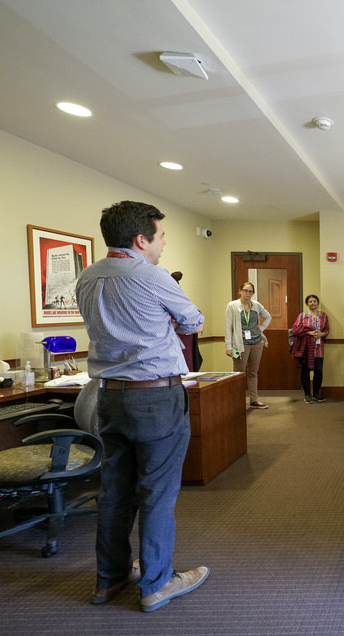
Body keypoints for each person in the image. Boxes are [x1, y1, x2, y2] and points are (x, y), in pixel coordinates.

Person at [76, 200, 208, 612]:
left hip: (109, 397)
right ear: (141, 239)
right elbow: (194, 321)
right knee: (157, 492)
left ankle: (111, 579)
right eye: (162, 235)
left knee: (115, 491)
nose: (163, 242)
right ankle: (156, 582)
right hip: (155, 397)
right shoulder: (152, 277)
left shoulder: (87, 277)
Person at [224, 282, 272, 409]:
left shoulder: (256, 305)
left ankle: (254, 400)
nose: (248, 293)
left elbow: (268, 317)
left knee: (253, 372)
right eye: (246, 290)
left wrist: (261, 328)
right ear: (240, 291)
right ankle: (237, 401)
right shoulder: (232, 305)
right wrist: (229, 346)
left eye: (251, 291)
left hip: (257, 342)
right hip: (240, 344)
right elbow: (228, 326)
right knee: (239, 373)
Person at [290, 294, 330, 403]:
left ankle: (316, 393)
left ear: (318, 303)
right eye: (310, 301)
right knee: (305, 370)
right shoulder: (302, 316)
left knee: (318, 371)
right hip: (306, 347)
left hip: (319, 347)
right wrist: (308, 332)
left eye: (314, 301)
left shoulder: (324, 316)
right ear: (307, 304)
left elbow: (327, 330)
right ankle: (307, 394)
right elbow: (295, 330)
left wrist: (321, 334)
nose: (313, 303)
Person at [170, 271, 202, 372]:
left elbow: (199, 326)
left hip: (186, 342)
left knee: (188, 372)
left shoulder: (186, 305)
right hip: (170, 347)